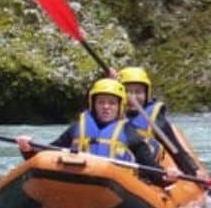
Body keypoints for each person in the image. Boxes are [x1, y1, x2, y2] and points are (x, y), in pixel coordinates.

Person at [16, 78, 179, 185]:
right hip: (77, 184)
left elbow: (150, 168)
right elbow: (46, 155)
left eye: (111, 103)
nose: (106, 107)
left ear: (119, 106)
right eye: (101, 102)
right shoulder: (77, 128)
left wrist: (166, 177)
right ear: (93, 105)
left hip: (118, 188)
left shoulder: (130, 133)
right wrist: (28, 149)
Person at [116, 66, 206, 178]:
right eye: (127, 92)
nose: (132, 97)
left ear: (146, 94)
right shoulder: (108, 113)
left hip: (147, 171)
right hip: (116, 167)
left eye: (138, 92)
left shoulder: (155, 118)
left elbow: (175, 149)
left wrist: (194, 171)